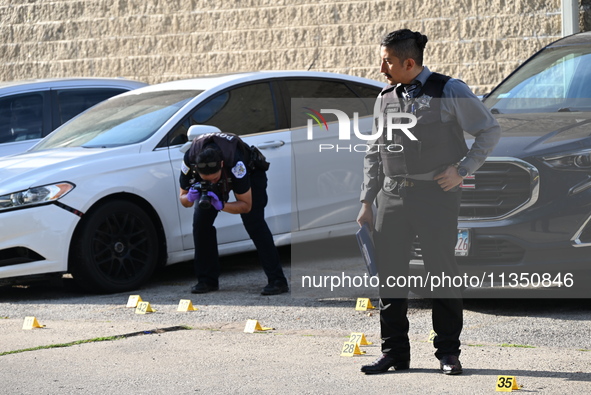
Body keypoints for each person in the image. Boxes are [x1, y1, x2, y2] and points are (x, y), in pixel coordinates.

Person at [356, 29, 501, 375]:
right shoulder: (385, 97)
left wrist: (463, 170)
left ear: (409, 62)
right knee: (390, 277)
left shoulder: (449, 90)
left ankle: (448, 353)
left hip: (436, 196)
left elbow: (489, 130)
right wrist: (366, 200)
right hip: (392, 196)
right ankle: (394, 354)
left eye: (388, 61)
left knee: (442, 273)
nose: (381, 67)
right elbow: (375, 150)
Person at [179, 131, 289, 295]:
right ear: (197, 169)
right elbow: (184, 201)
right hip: (218, 175)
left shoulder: (236, 163)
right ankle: (207, 280)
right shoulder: (189, 160)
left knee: (254, 223)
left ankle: (277, 281)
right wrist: (190, 196)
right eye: (206, 179)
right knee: (201, 224)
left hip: (252, 175)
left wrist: (220, 204)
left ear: (221, 165)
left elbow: (245, 205)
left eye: (214, 179)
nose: (211, 183)